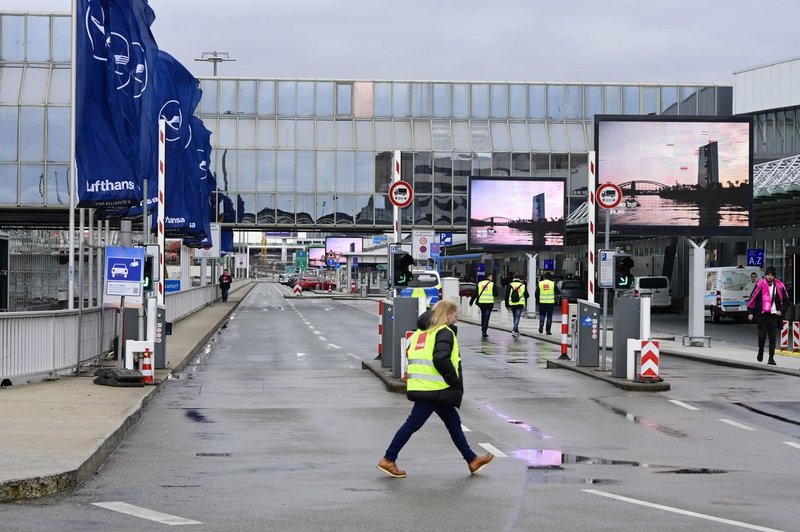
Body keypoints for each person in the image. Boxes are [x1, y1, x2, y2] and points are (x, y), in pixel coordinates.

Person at [377, 300, 494, 478]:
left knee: (454, 423)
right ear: (447, 315)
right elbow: (441, 359)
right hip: (435, 387)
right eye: (455, 316)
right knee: (412, 424)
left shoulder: (421, 333)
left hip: (429, 387)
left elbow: (412, 354)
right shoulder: (443, 332)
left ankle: (472, 460)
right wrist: (454, 381)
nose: (456, 320)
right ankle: (388, 459)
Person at [747, 266, 790, 365]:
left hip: (773, 315)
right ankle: (761, 350)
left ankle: (771, 358)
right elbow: (752, 298)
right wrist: (750, 312)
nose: (769, 277)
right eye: (768, 275)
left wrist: (781, 311)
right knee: (762, 337)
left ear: (774, 276)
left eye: (771, 275)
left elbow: (786, 299)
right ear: (765, 275)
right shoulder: (760, 284)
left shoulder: (779, 286)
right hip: (762, 315)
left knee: (773, 337)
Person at [470, 273, 498, 338]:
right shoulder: (492, 284)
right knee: (486, 317)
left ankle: (483, 329)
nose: (492, 278)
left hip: (481, 303)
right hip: (489, 303)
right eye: (491, 277)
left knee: (483, 316)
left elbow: (475, 294)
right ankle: (484, 331)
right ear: (488, 277)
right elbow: (496, 294)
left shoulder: (480, 284)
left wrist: (471, 302)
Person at [504, 273, 529, 338]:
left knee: (515, 317)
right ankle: (514, 330)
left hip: (512, 303)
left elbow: (506, 296)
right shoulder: (523, 285)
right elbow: (527, 295)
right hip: (520, 303)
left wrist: (506, 305)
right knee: (517, 317)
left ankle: (516, 331)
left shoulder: (510, 285)